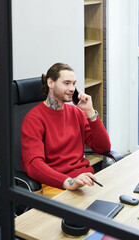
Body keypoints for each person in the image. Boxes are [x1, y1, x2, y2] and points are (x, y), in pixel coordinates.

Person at [21, 63, 111, 191]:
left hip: (86, 180)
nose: (72, 88)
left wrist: (90, 112)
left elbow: (103, 147)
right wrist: (68, 182)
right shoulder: (33, 119)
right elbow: (33, 165)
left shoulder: (77, 113)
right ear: (51, 83)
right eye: (67, 83)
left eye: (74, 83)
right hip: (57, 184)